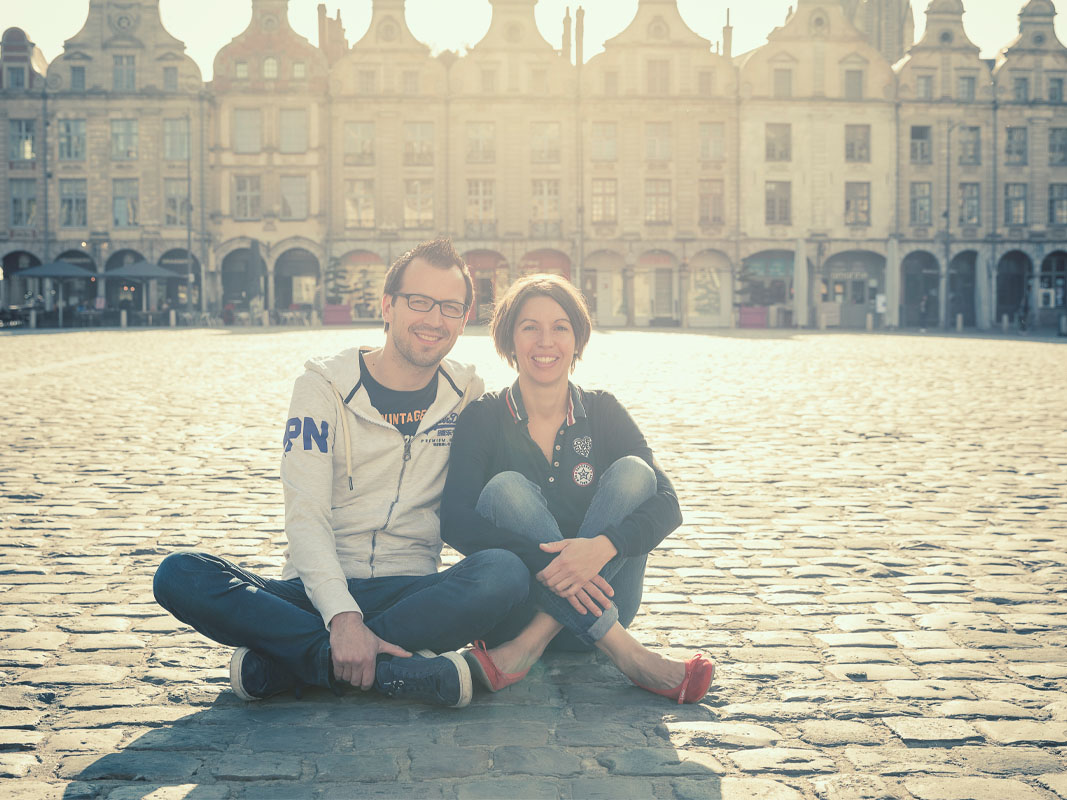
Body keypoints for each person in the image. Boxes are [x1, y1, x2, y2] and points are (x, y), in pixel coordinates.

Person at [153, 239, 530, 707]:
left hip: (409, 592)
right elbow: (305, 514)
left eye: (450, 307)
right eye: (419, 302)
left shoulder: (467, 394)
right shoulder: (321, 388)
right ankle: (390, 670)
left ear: (464, 316)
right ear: (387, 305)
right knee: (180, 574)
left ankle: (294, 663)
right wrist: (342, 617)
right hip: (313, 590)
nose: (434, 319)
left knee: (504, 573)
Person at [440, 274, 714, 705]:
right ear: (509, 339)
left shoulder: (603, 410)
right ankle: (628, 654)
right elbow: (454, 519)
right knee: (505, 488)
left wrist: (601, 547)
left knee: (635, 473)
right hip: (517, 611)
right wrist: (555, 564)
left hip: (610, 600)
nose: (545, 341)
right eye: (530, 327)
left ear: (578, 339)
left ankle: (531, 645)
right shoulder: (485, 417)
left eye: (560, 327)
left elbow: (669, 504)